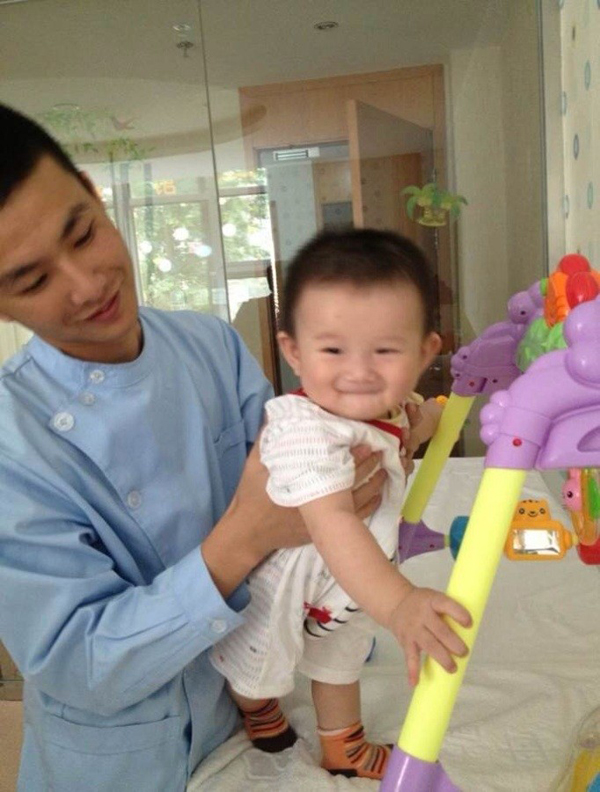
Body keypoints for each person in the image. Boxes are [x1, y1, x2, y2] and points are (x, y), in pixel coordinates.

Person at [0, 104, 388, 792]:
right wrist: (246, 535)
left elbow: (294, 489)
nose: (87, 285)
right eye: (33, 281)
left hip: (254, 707)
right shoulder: (13, 438)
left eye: (83, 234)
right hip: (133, 761)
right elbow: (78, 664)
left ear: (93, 193)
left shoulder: (208, 344)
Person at [211, 229, 472, 781]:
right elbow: (331, 520)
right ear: (294, 352)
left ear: (425, 352)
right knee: (260, 664)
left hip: (356, 577)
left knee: (343, 657)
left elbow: (414, 425)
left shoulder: (389, 405)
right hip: (290, 581)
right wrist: (399, 603)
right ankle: (254, 707)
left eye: (385, 350)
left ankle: (343, 746)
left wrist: (443, 413)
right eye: (333, 350)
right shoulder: (302, 429)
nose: (359, 371)